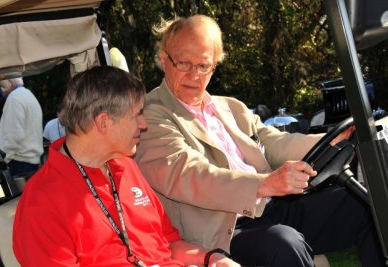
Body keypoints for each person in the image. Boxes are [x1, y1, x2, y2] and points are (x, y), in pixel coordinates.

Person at [134, 15, 385, 266]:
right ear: (164, 59)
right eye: (184, 64)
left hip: (269, 207)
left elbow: (274, 143)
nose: (194, 75)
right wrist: (262, 184)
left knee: (368, 203)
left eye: (203, 66)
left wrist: (335, 139)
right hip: (219, 233)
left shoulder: (231, 108)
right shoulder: (151, 116)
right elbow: (187, 174)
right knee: (283, 244)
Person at [13, 66, 240, 267]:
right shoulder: (42, 201)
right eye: (137, 115)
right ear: (103, 123)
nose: (144, 124)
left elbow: (168, 243)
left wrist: (211, 258)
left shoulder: (125, 167)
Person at [0, 77, 43, 178]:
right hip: (30, 163)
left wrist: (2, 162)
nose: (0, 90)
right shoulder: (28, 95)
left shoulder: (14, 98)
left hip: (18, 164)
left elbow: (13, 137)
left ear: (8, 82)